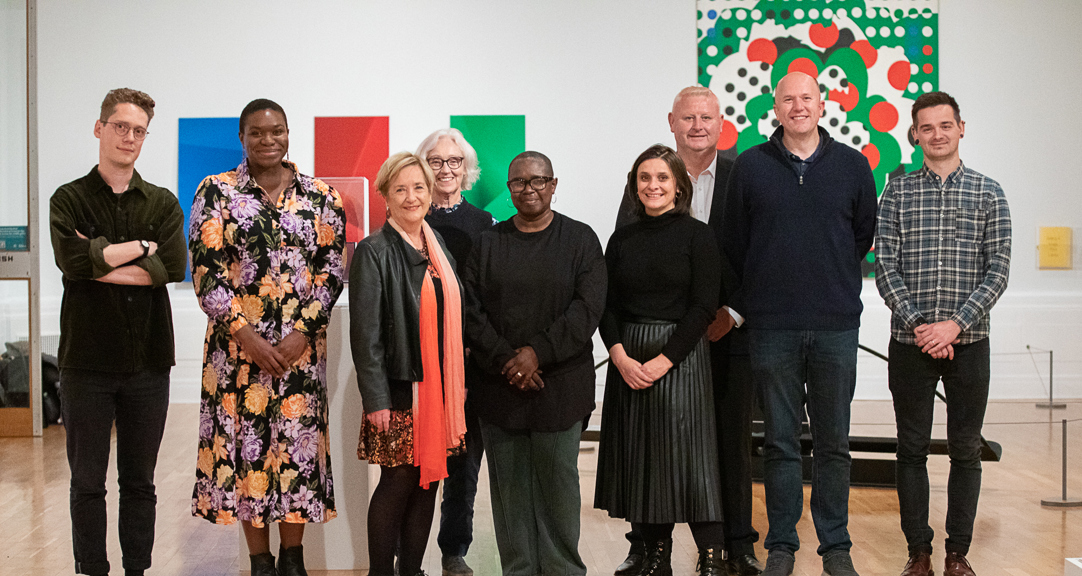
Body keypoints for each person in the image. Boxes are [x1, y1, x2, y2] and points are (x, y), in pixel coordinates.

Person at [722, 72, 878, 576]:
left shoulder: (853, 167)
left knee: (834, 443)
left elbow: (861, 238)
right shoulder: (750, 167)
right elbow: (737, 245)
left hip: (835, 326)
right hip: (772, 328)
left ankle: (836, 547)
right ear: (775, 106)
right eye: (788, 99)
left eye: (806, 98)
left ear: (823, 103)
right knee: (780, 443)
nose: (798, 106)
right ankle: (782, 546)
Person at [189, 98, 346, 576]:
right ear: (242, 137)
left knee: (295, 454)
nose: (268, 140)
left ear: (288, 133)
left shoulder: (321, 197)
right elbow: (206, 273)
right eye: (257, 132)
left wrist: (302, 333)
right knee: (247, 454)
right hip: (237, 358)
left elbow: (333, 271)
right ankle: (260, 562)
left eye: (276, 130)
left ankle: (293, 561)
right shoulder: (215, 194)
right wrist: (248, 337)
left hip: (299, 357)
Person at [615, 86, 763, 576]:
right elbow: (623, 267)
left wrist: (731, 313)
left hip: (728, 332)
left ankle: (733, 546)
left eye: (706, 117)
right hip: (659, 339)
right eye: (687, 118)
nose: (697, 126)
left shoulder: (745, 175)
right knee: (651, 444)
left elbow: (760, 252)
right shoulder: (646, 177)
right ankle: (648, 547)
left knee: (726, 445)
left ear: (720, 122)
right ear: (672, 122)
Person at [50, 87, 185, 576]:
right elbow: (70, 260)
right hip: (86, 361)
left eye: (138, 130)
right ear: (99, 128)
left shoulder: (163, 203)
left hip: (149, 361)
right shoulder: (68, 199)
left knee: (140, 481)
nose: (129, 137)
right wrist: (140, 250)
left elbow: (170, 267)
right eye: (120, 126)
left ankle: (137, 569)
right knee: (87, 481)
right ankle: (92, 568)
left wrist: (101, 256)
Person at [874, 92, 1011, 576]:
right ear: (914, 134)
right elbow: (884, 267)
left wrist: (954, 325)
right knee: (910, 449)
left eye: (945, 125)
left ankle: (957, 553)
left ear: (961, 128)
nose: (936, 134)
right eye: (926, 127)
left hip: (970, 344)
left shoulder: (989, 192)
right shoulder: (896, 192)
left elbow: (997, 272)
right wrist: (920, 325)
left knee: (965, 449)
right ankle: (919, 552)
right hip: (910, 345)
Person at [462, 151, 606, 576]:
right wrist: (509, 359)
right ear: (509, 189)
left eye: (539, 181)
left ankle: (564, 570)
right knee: (509, 493)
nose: (530, 189)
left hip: (559, 386)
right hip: (499, 385)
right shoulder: (487, 243)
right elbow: (470, 310)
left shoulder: (580, 240)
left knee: (559, 489)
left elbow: (587, 309)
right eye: (520, 182)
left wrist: (536, 354)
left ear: (554, 185)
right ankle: (519, 570)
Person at [596, 144, 726, 576]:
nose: (653, 186)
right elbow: (607, 304)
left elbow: (704, 307)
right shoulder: (621, 239)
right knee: (642, 459)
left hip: (681, 358)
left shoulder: (698, 235)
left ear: (679, 186)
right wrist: (619, 355)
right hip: (629, 357)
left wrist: (665, 361)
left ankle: (711, 556)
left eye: (662, 178)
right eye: (645, 178)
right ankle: (655, 555)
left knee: (691, 460)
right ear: (635, 186)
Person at [350, 152, 467, 576]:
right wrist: (376, 399)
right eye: (400, 188)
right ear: (385, 195)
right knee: (398, 482)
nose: (411, 196)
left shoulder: (438, 249)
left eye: (419, 187)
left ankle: (412, 572)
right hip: (400, 390)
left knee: (428, 485)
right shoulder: (373, 251)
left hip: (437, 392)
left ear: (431, 192)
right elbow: (366, 337)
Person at [415, 128, 496, 576]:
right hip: (420, 359)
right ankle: (408, 555)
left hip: (469, 361)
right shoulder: (408, 219)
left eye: (454, 162)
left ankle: (454, 551)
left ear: (466, 170)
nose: (445, 170)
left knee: (464, 465)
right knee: (416, 465)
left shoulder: (483, 224)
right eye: (436, 161)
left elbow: (485, 295)